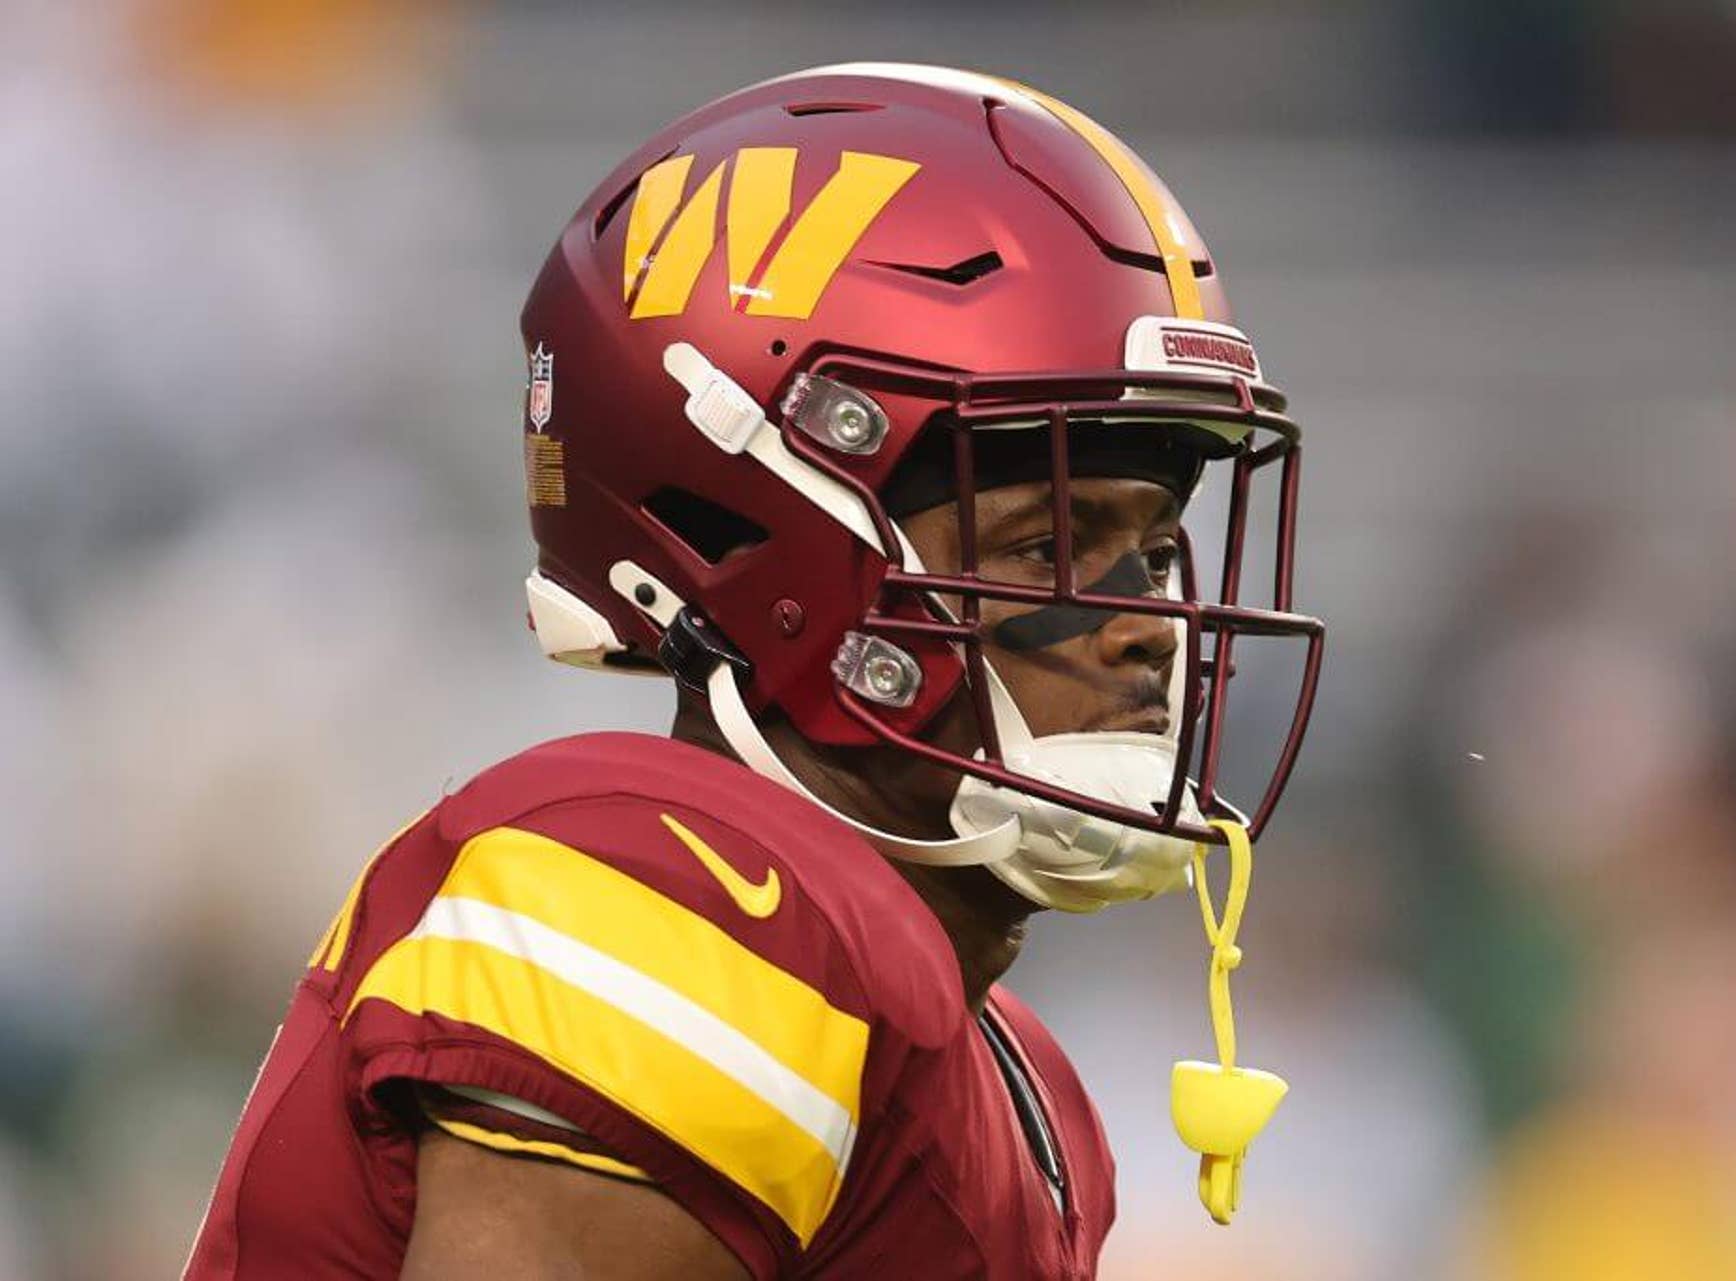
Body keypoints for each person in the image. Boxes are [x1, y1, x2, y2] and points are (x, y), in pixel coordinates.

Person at [183, 62, 1324, 1280]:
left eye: (1153, 555)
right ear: (771, 542)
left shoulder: (1024, 1081)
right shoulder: (682, 902)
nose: (1148, 625)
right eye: (1050, 545)